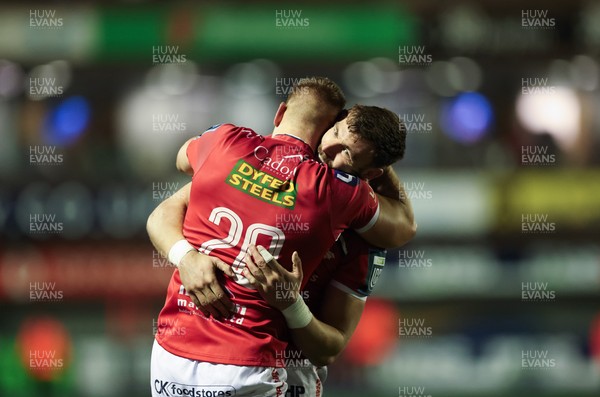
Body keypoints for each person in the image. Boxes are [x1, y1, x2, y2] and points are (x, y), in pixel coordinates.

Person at [148, 77, 415, 396]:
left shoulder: (226, 145)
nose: (330, 148)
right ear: (328, 125)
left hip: (173, 362)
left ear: (280, 113)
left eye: (347, 152)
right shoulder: (340, 195)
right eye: (335, 133)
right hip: (242, 366)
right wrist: (187, 257)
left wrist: (291, 304)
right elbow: (405, 224)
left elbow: (329, 347)